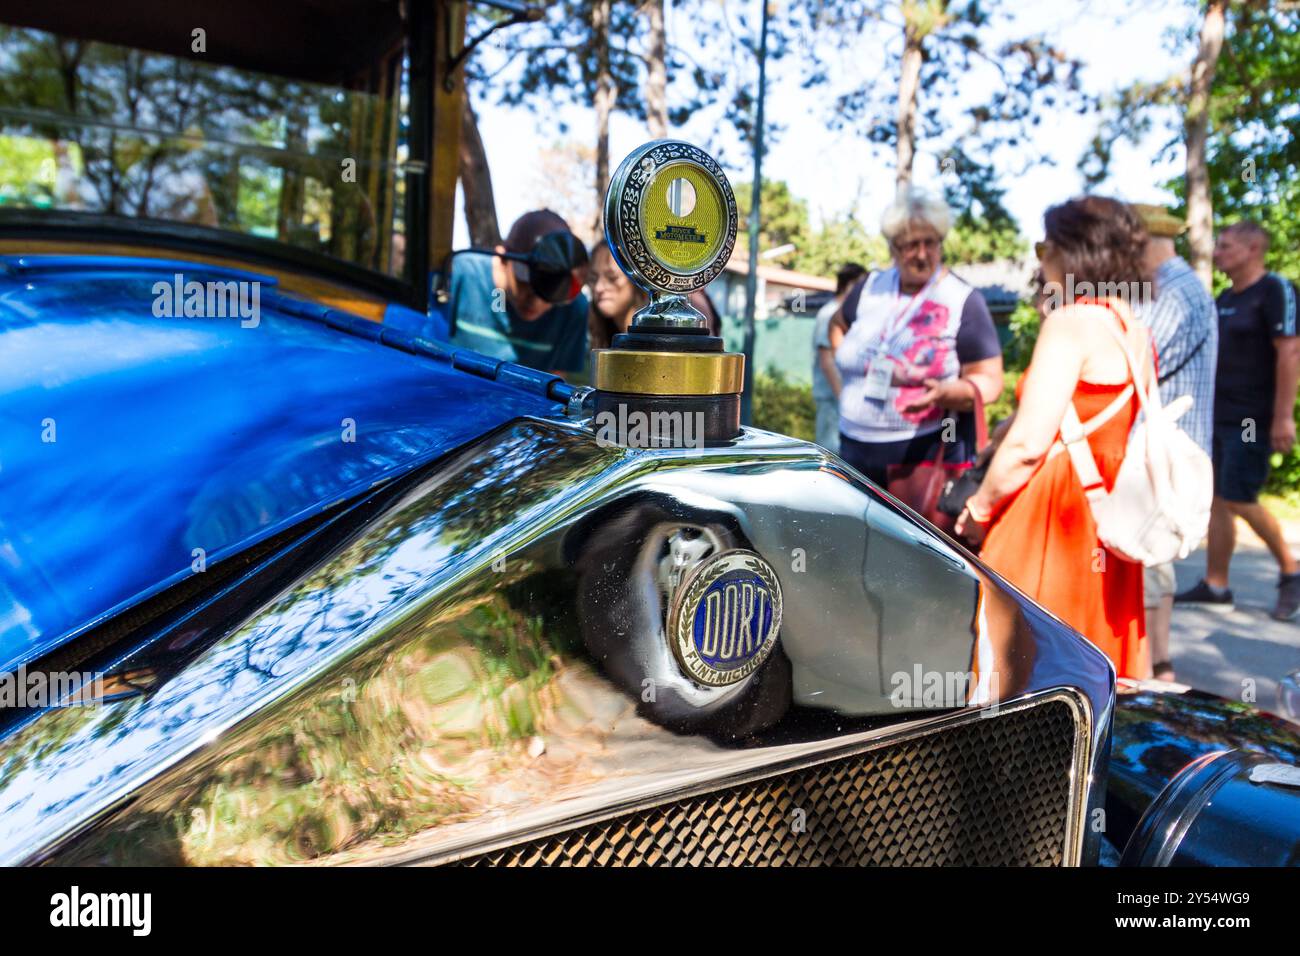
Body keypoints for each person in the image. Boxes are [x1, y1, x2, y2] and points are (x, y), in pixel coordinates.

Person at [956, 196, 1154, 679]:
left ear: (1073, 252)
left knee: (1021, 670)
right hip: (1107, 517)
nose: (1040, 258)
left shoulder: (1071, 322)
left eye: (1045, 245)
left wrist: (979, 510)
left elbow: (1028, 446)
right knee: (1093, 669)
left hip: (1052, 512)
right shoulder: (1131, 327)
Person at [828, 188, 1002, 486]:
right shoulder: (870, 287)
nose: (922, 254)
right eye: (911, 245)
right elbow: (836, 324)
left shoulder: (962, 299)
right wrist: (843, 385)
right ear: (893, 248)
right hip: (851, 450)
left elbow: (990, 380)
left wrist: (949, 393)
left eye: (930, 243)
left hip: (920, 459)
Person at [1175, 221, 1300, 620]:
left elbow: (1290, 353)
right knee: (1217, 500)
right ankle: (1216, 585)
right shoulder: (1226, 296)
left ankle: (1292, 571)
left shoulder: (1275, 291)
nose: (1218, 252)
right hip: (1219, 414)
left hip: (1254, 417)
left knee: (1238, 495)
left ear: (1252, 249)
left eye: (1226, 246)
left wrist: (1283, 416)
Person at [1131, 204, 1218, 680]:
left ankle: (1148, 684)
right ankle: (1158, 671)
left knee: (1147, 565)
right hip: (1173, 453)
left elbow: (1135, 363)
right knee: (1156, 568)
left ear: (1143, 243)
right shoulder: (1181, 285)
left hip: (1161, 457)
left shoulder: (1171, 291)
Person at [447, 209, 590, 376]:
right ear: (502, 258)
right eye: (525, 284)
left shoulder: (573, 308)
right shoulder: (462, 275)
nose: (535, 300)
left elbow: (555, 386)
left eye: (549, 291)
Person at [587, 240, 721, 351]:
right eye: (592, 278)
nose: (599, 288)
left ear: (638, 278)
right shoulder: (602, 329)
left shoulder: (685, 306)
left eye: (612, 277)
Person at [813, 263, 867, 452]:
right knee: (831, 458)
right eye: (860, 285)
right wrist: (844, 399)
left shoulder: (851, 314)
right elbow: (826, 361)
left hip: (843, 402)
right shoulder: (829, 313)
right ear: (848, 285)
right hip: (832, 401)